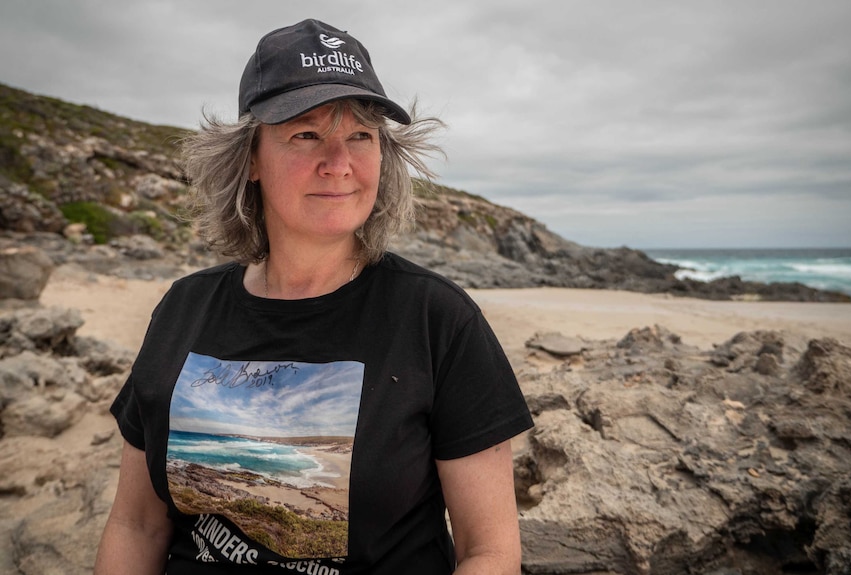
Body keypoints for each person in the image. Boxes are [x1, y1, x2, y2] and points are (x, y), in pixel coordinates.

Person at [94, 18, 533, 575]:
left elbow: (489, 552)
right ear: (250, 159)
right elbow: (137, 524)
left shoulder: (437, 318)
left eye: (361, 136)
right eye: (306, 134)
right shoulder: (184, 307)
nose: (339, 163)